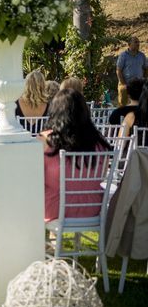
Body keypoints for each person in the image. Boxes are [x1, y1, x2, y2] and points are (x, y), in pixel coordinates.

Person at [39, 89, 111, 223]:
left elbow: (36, 177)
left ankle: (54, 241)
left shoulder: (45, 140)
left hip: (55, 207)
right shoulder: (99, 142)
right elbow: (102, 175)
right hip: (92, 207)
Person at [116, 37, 147, 106]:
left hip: (138, 85)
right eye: (136, 42)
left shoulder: (142, 56)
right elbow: (118, 70)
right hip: (125, 84)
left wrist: (144, 80)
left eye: (138, 42)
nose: (138, 44)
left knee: (139, 105)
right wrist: (123, 84)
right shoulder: (123, 56)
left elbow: (146, 69)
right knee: (122, 105)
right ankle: (123, 116)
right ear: (129, 44)